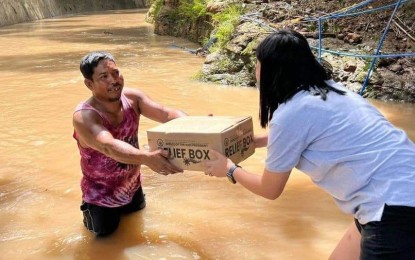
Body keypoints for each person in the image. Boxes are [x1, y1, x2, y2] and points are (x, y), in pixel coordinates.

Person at [203, 30, 415, 259]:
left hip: (392, 209)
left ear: (270, 71)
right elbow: (311, 136)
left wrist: (229, 168)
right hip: (394, 196)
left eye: (257, 63)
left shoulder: (289, 114)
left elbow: (269, 189)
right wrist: (253, 141)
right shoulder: (334, 92)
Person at [73, 51, 186, 236]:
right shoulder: (84, 116)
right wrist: (148, 158)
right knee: (103, 247)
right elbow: (107, 146)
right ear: (89, 84)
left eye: (116, 73)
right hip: (100, 199)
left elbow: (166, 113)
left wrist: (196, 125)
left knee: (137, 231)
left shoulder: (133, 98)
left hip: (132, 187)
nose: (113, 80)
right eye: (104, 77)